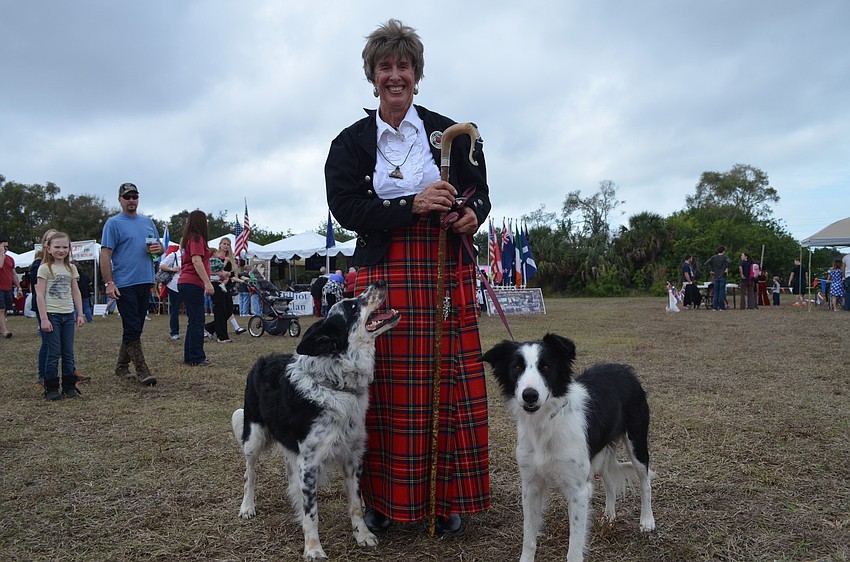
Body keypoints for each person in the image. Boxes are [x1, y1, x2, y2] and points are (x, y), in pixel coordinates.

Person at [325, 19, 491, 536]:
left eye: (403, 66)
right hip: (383, 271)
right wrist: (410, 204)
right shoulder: (351, 143)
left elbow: (481, 193)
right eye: (385, 67)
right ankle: (380, 500)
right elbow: (346, 207)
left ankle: (448, 500)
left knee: (451, 385)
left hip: (443, 268)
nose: (395, 76)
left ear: (417, 75)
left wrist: (471, 215)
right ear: (372, 76)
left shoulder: (451, 132)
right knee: (384, 391)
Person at [100, 183, 162, 386]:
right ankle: (142, 370)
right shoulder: (113, 223)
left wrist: (159, 249)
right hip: (124, 283)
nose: (131, 200)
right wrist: (109, 283)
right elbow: (105, 254)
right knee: (132, 327)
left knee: (135, 327)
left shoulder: (147, 222)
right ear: (120, 199)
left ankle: (121, 366)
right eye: (127, 197)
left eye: (135, 196)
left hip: (145, 280)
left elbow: (158, 248)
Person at [35, 231, 85, 400]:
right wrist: (44, 319)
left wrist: (80, 313)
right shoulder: (44, 268)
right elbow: (39, 294)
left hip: (68, 315)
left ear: (70, 249)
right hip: (52, 315)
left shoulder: (71, 268)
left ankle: (69, 387)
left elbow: (76, 292)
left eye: (65, 247)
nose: (61, 250)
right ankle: (51, 388)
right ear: (48, 249)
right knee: (54, 353)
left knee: (68, 353)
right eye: (57, 247)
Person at [178, 210, 214, 366]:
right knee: (198, 321)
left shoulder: (190, 238)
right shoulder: (197, 238)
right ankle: (197, 357)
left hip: (186, 282)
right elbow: (197, 261)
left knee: (194, 321)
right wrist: (207, 282)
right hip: (192, 282)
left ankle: (190, 356)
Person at [217, 237, 246, 335]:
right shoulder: (216, 257)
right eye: (224, 244)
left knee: (228, 308)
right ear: (220, 244)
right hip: (218, 284)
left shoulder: (230, 259)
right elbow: (217, 270)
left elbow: (232, 276)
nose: (226, 246)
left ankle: (211, 327)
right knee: (222, 309)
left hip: (227, 286)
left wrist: (242, 281)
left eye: (228, 244)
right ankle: (236, 327)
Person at [204, 248, 232, 343]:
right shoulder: (210, 261)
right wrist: (220, 273)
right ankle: (222, 336)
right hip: (215, 284)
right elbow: (208, 270)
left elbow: (228, 272)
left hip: (223, 284)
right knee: (220, 309)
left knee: (228, 309)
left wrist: (226, 273)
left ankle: (210, 327)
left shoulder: (223, 260)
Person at [0, 235, 23, 338]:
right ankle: (5, 330)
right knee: (0, 309)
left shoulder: (10, 259)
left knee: (4, 309)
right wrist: (1, 255)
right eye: (4, 246)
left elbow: (13, 274)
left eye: (7, 247)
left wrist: (19, 287)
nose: (6, 249)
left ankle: (2, 328)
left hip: (8, 288)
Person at [158, 245, 182, 340]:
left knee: (191, 309)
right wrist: (172, 269)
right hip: (174, 285)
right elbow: (161, 265)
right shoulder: (174, 255)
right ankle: (174, 332)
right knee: (175, 309)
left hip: (187, 284)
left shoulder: (192, 255)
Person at [703, 246, 731, 311]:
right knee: (721, 292)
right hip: (722, 276)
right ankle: (721, 307)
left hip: (715, 276)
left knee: (715, 292)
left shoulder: (713, 257)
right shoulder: (725, 257)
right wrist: (726, 267)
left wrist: (711, 269)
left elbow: (706, 263)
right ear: (723, 251)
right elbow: (729, 262)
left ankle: (715, 307)